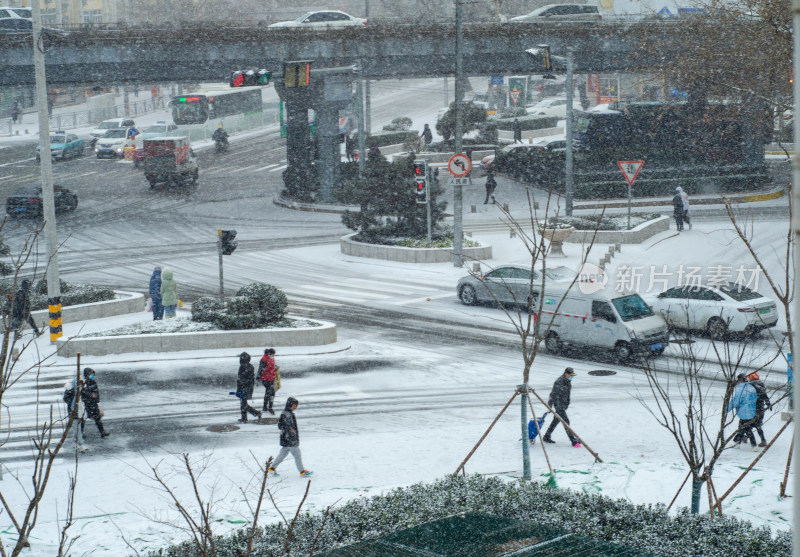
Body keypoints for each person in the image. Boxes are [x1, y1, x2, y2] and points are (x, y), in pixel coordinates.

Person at [268, 397, 312, 477]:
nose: (295, 407)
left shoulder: (289, 413)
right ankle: (302, 471)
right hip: (289, 439)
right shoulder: (285, 414)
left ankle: (272, 469)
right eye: (294, 405)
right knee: (297, 455)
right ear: (289, 405)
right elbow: (280, 425)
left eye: (296, 405)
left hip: (287, 439)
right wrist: (290, 430)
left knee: (282, 455)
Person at [542, 367, 580, 447]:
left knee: (556, 420)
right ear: (566, 374)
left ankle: (546, 436)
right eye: (570, 375)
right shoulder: (559, 382)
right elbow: (553, 394)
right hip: (559, 405)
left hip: (563, 404)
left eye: (572, 375)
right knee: (566, 421)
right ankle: (573, 441)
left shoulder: (567, 381)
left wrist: (566, 403)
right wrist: (550, 405)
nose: (572, 377)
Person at [728, 373, 758, 449]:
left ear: (741, 380)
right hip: (751, 411)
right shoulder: (752, 388)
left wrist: (726, 409)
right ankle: (737, 442)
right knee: (745, 428)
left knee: (744, 428)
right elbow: (755, 399)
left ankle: (753, 445)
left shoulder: (740, 390)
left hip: (743, 412)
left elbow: (735, 402)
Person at [81, 367, 109, 439]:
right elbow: (83, 392)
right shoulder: (83, 383)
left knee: (97, 417)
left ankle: (102, 432)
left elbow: (96, 391)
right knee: (83, 419)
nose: (92, 375)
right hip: (86, 403)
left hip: (93, 403)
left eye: (92, 374)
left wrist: (96, 400)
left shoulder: (93, 381)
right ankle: (81, 432)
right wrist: (90, 395)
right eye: (90, 374)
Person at [747, 371, 771, 447]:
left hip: (752, 408)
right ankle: (763, 440)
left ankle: (744, 437)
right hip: (760, 408)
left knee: (748, 423)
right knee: (757, 425)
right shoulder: (761, 385)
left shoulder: (750, 385)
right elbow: (764, 395)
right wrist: (768, 403)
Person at [237, 352, 261, 423]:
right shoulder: (250, 366)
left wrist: (240, 387)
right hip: (248, 388)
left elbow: (240, 379)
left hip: (243, 388)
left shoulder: (242, 367)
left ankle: (255, 413)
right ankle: (245, 417)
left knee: (243, 404)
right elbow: (250, 379)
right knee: (243, 403)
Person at [258, 348, 277, 414]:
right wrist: (258, 377)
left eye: (274, 355)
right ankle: (268, 407)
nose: (273, 356)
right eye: (272, 355)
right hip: (266, 379)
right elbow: (260, 369)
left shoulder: (271, 358)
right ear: (269, 354)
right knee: (269, 392)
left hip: (271, 378)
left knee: (271, 392)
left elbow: (271, 366)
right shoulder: (264, 359)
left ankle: (267, 406)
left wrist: (275, 368)